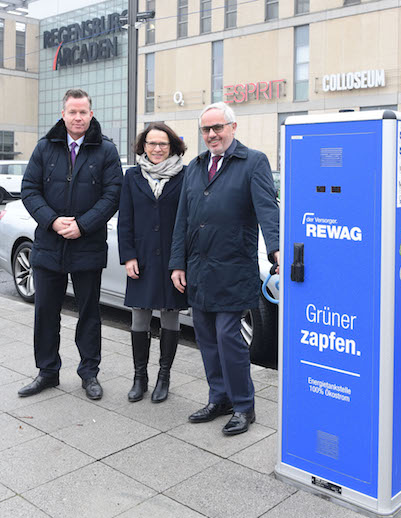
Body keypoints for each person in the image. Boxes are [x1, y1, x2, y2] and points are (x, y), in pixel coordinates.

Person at [170, 102, 279, 435]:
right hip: (199, 269)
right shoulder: (195, 166)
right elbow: (182, 220)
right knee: (206, 339)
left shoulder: (253, 162)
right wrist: (177, 263)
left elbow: (267, 209)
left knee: (229, 338)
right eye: (206, 129)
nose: (212, 134)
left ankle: (244, 406)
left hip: (233, 268)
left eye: (218, 127)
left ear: (234, 127)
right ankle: (219, 398)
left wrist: (275, 249)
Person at [18, 89, 122, 400]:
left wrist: (83, 225)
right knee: (46, 313)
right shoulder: (44, 148)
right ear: (63, 114)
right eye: (72, 112)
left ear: (91, 114)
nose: (78, 117)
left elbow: (112, 195)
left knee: (89, 313)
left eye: (83, 112)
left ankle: (89, 373)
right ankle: (47, 372)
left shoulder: (106, 151)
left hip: (87, 246)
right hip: (49, 246)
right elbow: (29, 189)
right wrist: (52, 220)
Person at [118, 123, 187, 403]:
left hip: (172, 259)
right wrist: (128, 255)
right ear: (142, 146)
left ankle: (164, 377)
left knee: (170, 314)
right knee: (140, 316)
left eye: (163, 144)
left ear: (172, 146)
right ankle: (140, 377)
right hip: (142, 257)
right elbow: (125, 219)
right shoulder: (132, 176)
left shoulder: (185, 175)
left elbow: (187, 220)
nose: (157, 149)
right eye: (151, 143)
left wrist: (180, 261)